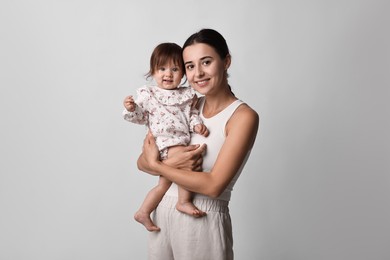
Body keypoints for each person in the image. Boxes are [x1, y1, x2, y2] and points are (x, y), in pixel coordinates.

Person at [137, 29, 259, 260]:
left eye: (206, 62)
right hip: (162, 214)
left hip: (202, 218)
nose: (198, 73)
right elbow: (142, 161)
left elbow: (214, 185)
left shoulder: (242, 116)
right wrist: (159, 162)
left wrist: (161, 165)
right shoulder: (185, 105)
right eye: (190, 66)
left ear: (226, 62)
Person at [123, 42, 209, 232]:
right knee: (189, 165)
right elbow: (141, 116)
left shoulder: (185, 96)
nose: (168, 74)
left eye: (174, 69)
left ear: (183, 74)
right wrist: (132, 108)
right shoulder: (150, 94)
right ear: (153, 71)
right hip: (164, 142)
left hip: (179, 141)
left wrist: (197, 124)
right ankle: (184, 201)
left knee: (163, 184)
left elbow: (192, 113)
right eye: (162, 68)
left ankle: (143, 211)